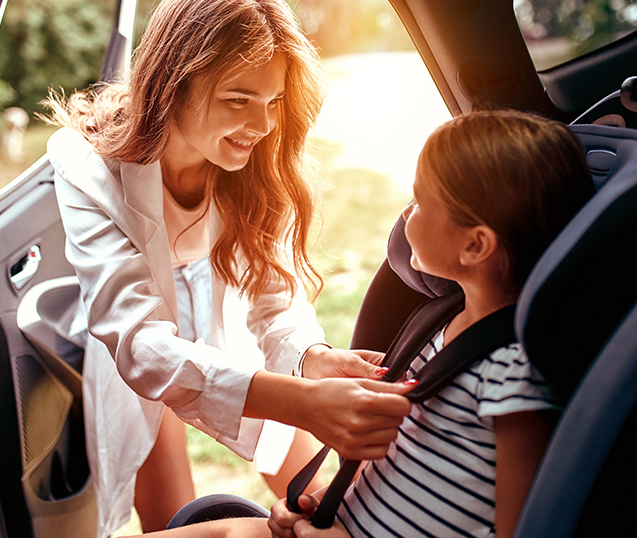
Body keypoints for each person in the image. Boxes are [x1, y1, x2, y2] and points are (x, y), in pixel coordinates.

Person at [41, 0, 414, 535]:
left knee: (315, 497)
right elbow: (142, 344)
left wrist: (312, 360)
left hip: (225, 294)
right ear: (172, 83)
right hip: (142, 318)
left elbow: (274, 297)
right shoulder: (85, 164)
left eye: (274, 100)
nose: (263, 124)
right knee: (170, 514)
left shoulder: (263, 160)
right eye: (239, 98)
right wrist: (305, 402)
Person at [141, 109, 595, 538]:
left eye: (420, 201)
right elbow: (400, 463)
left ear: (475, 246)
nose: (405, 214)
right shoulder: (435, 326)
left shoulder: (512, 378)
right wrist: (319, 500)